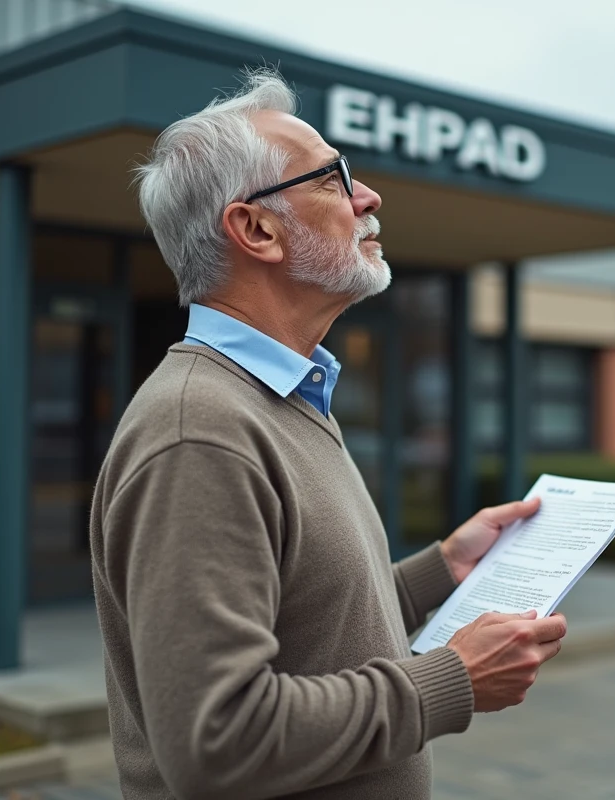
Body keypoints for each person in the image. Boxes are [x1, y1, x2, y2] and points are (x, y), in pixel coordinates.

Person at [89, 68, 568, 800]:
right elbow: (216, 742)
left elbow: (311, 629)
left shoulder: (284, 396)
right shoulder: (201, 431)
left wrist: (442, 571)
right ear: (256, 229)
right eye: (333, 178)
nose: (368, 198)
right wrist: (452, 680)